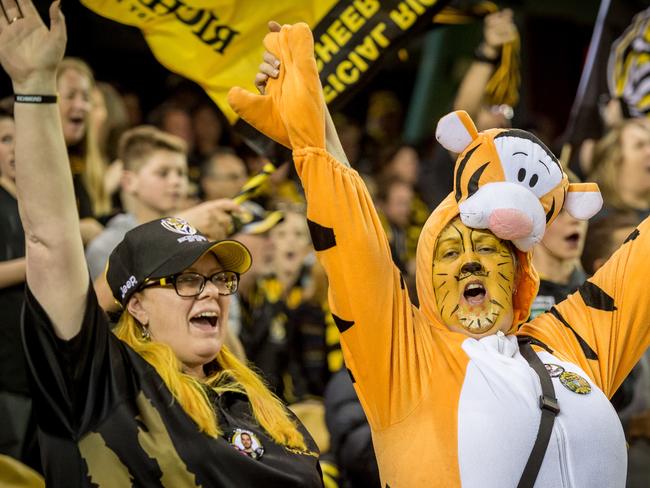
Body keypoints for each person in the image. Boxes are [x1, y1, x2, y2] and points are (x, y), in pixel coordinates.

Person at [229, 21, 648, 487]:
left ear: (518, 272)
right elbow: (355, 237)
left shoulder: (570, 340)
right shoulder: (402, 357)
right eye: (449, 253)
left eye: (490, 250)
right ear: (425, 274)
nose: (471, 262)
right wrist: (312, 136)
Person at [0, 4, 323, 486]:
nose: (210, 291)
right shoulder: (105, 384)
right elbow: (50, 238)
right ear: (138, 305)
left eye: (218, 279)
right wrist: (31, 89)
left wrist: (311, 130)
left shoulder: (252, 398)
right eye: (188, 279)